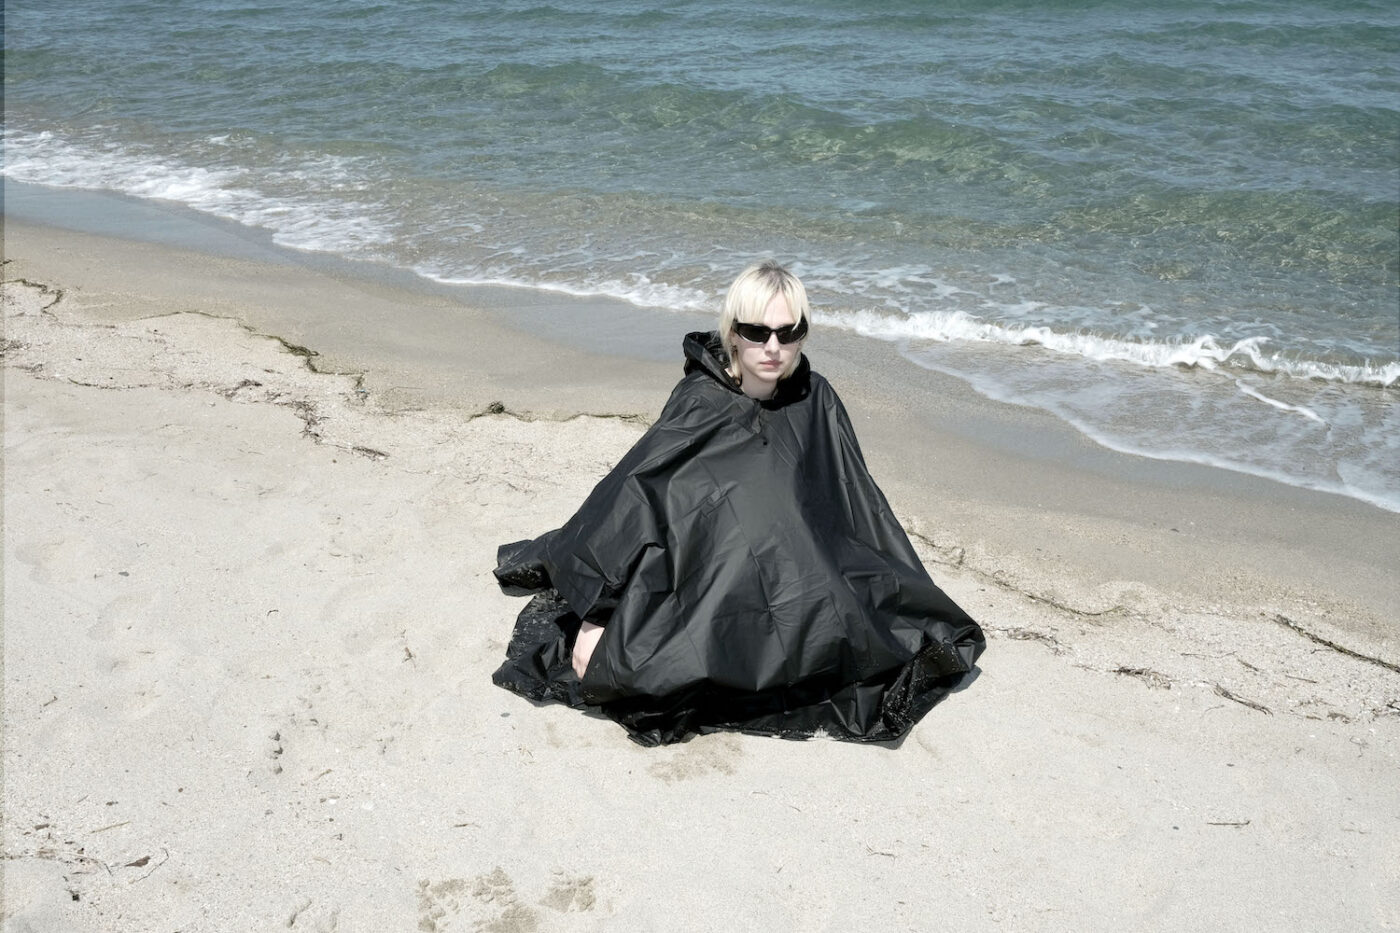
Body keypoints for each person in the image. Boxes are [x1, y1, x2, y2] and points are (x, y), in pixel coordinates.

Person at [492, 261, 984, 746]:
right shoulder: (701, 402)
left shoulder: (815, 398)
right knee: (643, 668)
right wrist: (596, 616)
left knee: (859, 628)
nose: (773, 347)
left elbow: (852, 499)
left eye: (788, 333)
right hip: (706, 566)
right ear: (732, 333)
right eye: (757, 332)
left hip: (798, 569)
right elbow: (634, 500)